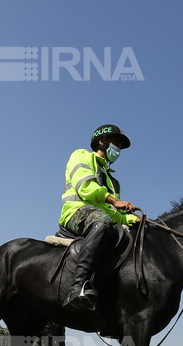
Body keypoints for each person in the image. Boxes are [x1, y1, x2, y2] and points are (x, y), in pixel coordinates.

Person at [58, 124, 142, 311]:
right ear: (101, 141)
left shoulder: (114, 181)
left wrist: (134, 220)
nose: (118, 147)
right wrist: (113, 200)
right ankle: (77, 287)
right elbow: (84, 186)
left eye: (121, 144)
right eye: (116, 142)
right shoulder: (81, 156)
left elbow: (117, 215)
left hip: (104, 218)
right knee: (104, 223)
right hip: (76, 212)